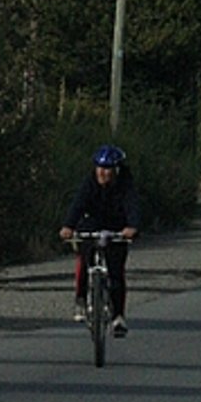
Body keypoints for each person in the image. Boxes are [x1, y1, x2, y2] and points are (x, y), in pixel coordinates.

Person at [59, 143, 139, 337]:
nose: (103, 173)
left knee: (116, 273)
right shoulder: (89, 184)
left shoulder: (125, 185)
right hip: (92, 224)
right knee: (84, 257)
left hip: (117, 227)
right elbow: (78, 204)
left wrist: (132, 227)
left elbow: (132, 206)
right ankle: (81, 299)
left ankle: (118, 316)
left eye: (108, 169)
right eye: (100, 168)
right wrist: (68, 226)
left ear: (117, 170)